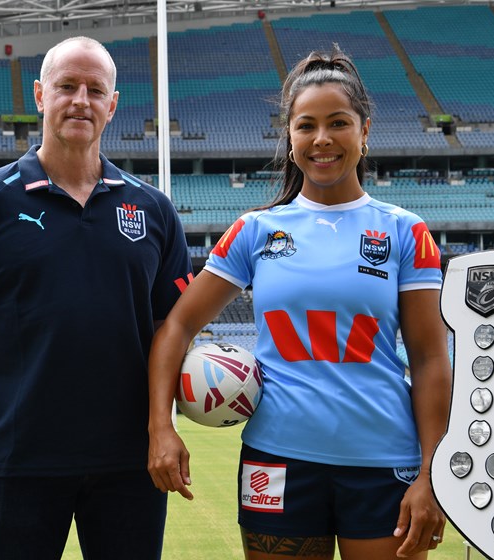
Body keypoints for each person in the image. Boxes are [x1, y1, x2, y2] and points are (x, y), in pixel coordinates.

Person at [147, 45, 452, 560]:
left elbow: (428, 359)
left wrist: (432, 474)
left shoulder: (406, 232)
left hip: (384, 465)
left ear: (365, 131)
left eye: (339, 123)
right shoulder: (254, 231)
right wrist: (161, 426)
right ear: (289, 139)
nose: (322, 139)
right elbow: (177, 326)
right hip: (277, 464)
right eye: (306, 125)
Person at [0, 36, 192, 559]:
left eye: (96, 90)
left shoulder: (154, 211)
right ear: (42, 95)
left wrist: (161, 424)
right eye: (68, 86)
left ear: (113, 106)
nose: (81, 100)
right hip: (17, 461)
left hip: (130, 463)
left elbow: (173, 328)